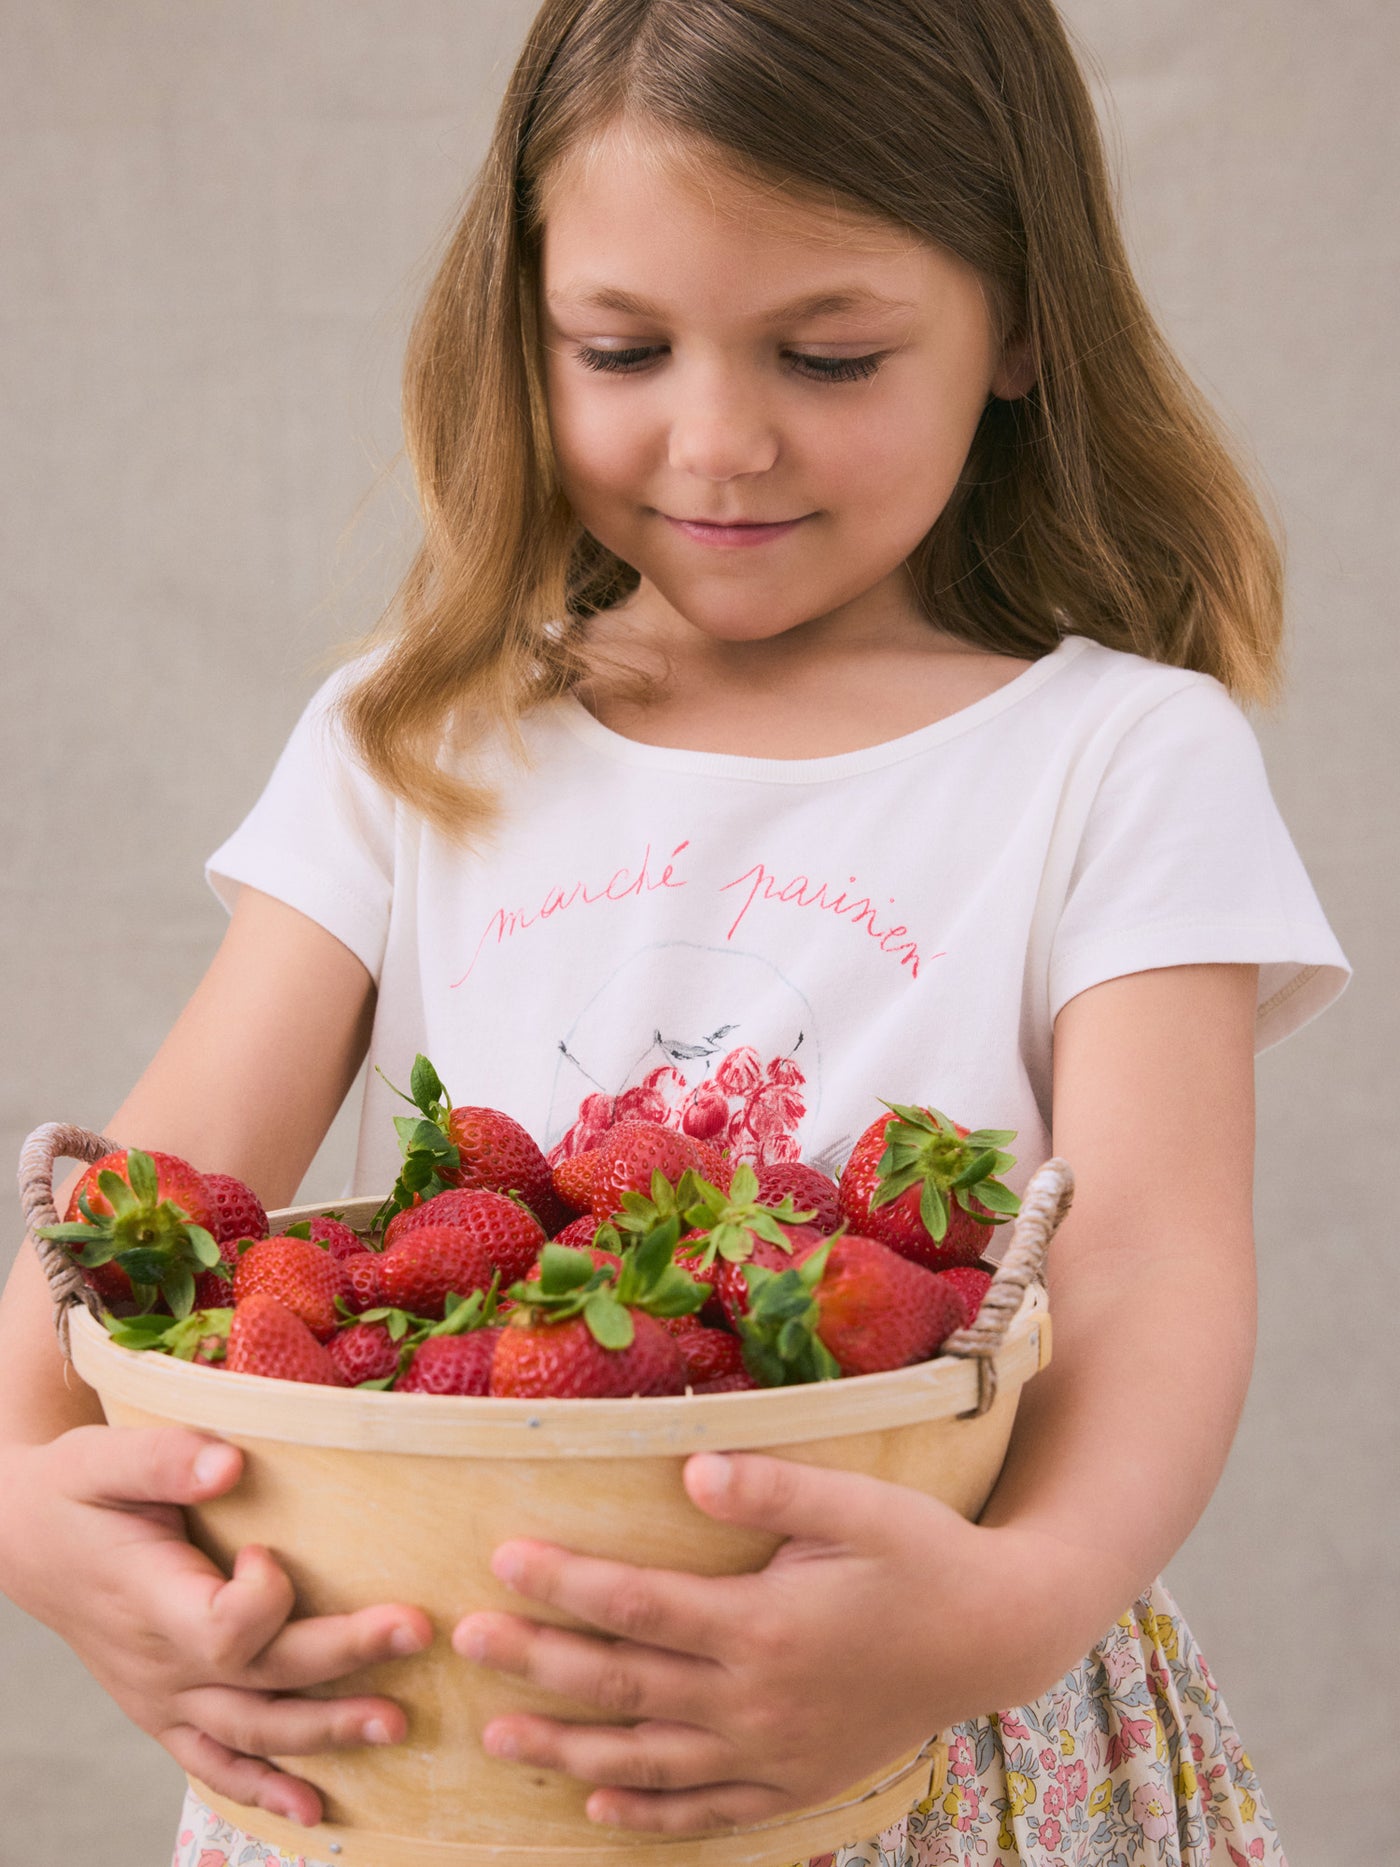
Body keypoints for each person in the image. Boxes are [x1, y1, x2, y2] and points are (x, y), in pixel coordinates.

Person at [0, 1, 1351, 1863]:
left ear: (1025, 324)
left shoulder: (1118, 758)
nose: (718, 440)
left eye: (831, 353)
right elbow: (148, 1211)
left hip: (915, 1694)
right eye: (620, 348)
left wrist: (1009, 1611)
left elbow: (1143, 1279)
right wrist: (24, 1497)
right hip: (434, 1725)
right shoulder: (416, 733)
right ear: (525, 324)